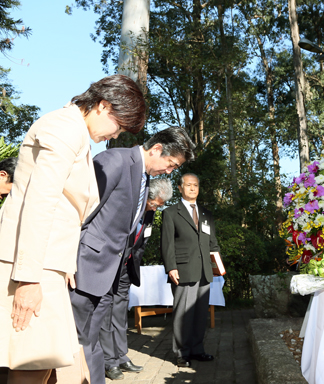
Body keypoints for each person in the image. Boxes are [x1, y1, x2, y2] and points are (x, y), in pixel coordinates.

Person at [0, 74, 146, 384]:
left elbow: (65, 211)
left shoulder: (75, 132)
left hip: (49, 265)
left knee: (53, 364)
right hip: (32, 267)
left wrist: (64, 263)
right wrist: (28, 278)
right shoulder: (65, 128)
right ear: (103, 106)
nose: (116, 135)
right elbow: (40, 203)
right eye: (119, 125)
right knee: (32, 361)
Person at [71, 127, 195, 384]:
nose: (170, 171)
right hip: (85, 269)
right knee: (77, 344)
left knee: (91, 342)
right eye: (171, 164)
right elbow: (79, 215)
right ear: (157, 149)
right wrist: (67, 263)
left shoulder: (144, 178)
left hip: (109, 274)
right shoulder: (114, 161)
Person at [100, 178, 173, 380]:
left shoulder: (149, 213)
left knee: (120, 312)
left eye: (161, 205)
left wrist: (132, 265)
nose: (157, 209)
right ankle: (109, 361)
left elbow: (140, 243)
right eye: (156, 204)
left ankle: (122, 356)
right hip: (109, 266)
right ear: (147, 196)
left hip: (125, 269)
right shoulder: (128, 207)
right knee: (105, 313)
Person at [161, 173, 220, 368]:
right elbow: (167, 244)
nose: (193, 188)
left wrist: (217, 263)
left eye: (195, 185)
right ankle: (181, 353)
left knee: (200, 313)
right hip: (183, 270)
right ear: (180, 188)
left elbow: (213, 243)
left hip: (204, 271)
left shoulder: (206, 214)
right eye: (188, 185)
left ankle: (197, 349)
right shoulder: (170, 213)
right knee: (183, 314)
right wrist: (171, 267)